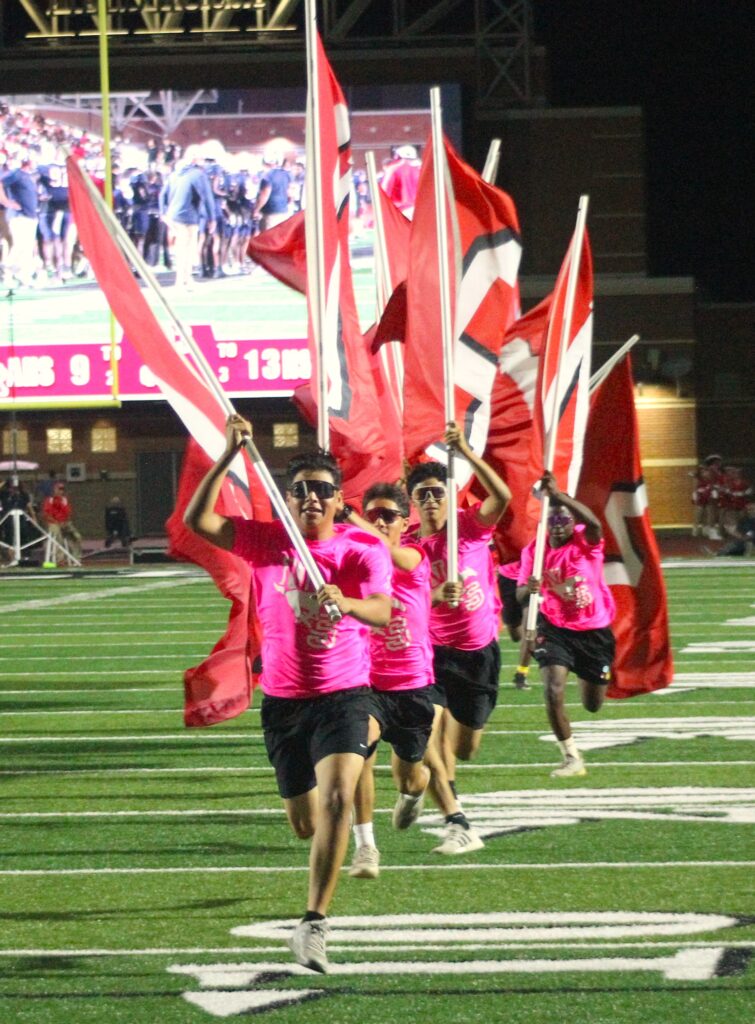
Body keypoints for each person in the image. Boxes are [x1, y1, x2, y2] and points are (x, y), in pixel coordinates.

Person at [184, 413, 392, 975]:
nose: (310, 499)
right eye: (299, 490)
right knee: (305, 823)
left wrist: (346, 604)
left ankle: (313, 925)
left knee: (335, 802)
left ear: (337, 498)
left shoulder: (358, 551)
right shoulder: (268, 543)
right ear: (289, 499)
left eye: (322, 490)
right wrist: (230, 454)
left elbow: (383, 610)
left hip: (344, 694)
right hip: (283, 703)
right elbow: (198, 519)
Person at [407, 422, 511, 854]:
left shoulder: (470, 527)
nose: (431, 500)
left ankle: (421, 785)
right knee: (428, 735)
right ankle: (456, 819)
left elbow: (502, 498)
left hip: (479, 652)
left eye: (437, 493)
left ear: (449, 496)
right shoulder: (410, 546)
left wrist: (466, 452)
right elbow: (401, 598)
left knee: (464, 747)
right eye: (422, 495)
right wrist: (432, 595)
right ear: (412, 503)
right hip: (432, 653)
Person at [344, 483, 434, 880]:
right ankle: (365, 846)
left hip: (411, 685)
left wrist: (351, 518)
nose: (380, 522)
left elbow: (393, 553)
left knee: (410, 773)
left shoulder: (415, 556)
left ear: (405, 522)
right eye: (373, 513)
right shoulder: (356, 560)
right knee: (359, 751)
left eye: (388, 516)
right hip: (365, 682)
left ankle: (417, 788)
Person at [516, 470, 616, 778]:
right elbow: (520, 595)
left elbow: (597, 524)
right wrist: (529, 589)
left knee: (593, 705)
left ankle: (590, 673)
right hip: (556, 629)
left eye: (563, 520)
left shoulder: (586, 541)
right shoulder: (534, 551)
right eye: (553, 521)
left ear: (573, 522)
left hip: (594, 631)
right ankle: (571, 757)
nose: (558, 527)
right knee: (552, 690)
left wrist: (558, 496)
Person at [159, 145, 216, 291]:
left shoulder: (174, 174)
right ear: (194, 158)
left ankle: (181, 279)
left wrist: (163, 213)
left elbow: (162, 195)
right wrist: (212, 218)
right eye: (201, 157)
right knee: (188, 248)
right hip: (188, 215)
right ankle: (185, 280)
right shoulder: (197, 174)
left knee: (180, 248)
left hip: (173, 215)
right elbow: (207, 196)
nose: (203, 160)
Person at [497, 559, 534, 690]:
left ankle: (521, 674)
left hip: (532, 580)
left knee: (530, 630)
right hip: (508, 578)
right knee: (515, 634)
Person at [42, 481, 82, 562]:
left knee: (77, 537)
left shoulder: (64, 500)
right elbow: (47, 515)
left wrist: (65, 522)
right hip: (53, 523)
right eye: (59, 489)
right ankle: (59, 558)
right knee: (57, 535)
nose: (61, 491)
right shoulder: (49, 500)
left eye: (62, 490)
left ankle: (76, 558)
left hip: (64, 523)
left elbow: (68, 513)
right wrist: (57, 522)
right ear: (54, 490)